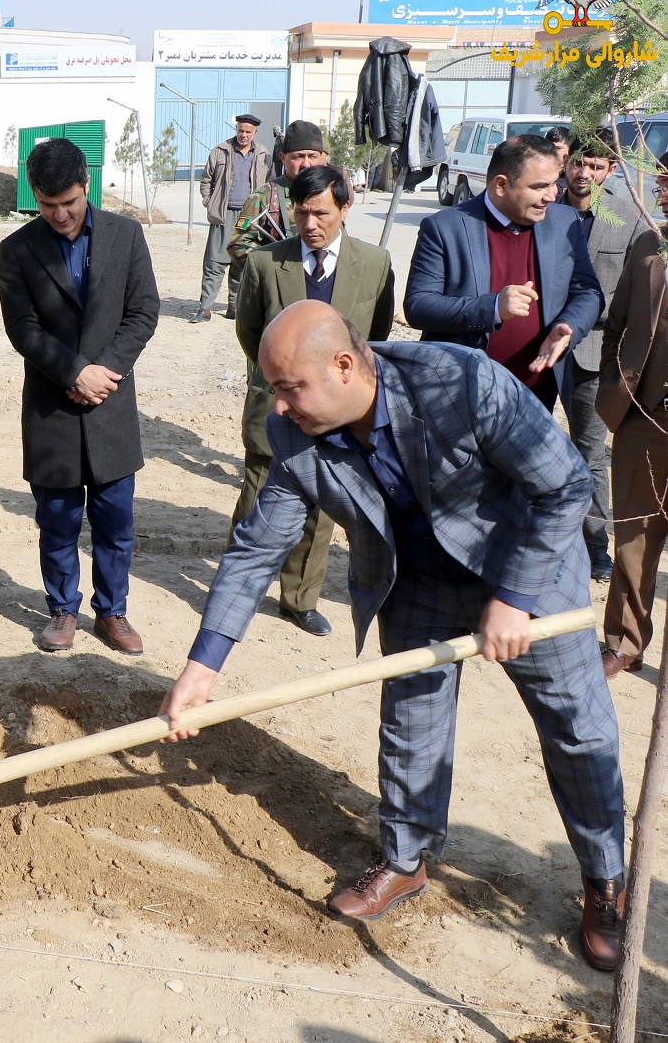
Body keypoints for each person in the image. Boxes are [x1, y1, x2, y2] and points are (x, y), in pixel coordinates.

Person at [161, 303, 627, 973]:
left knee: (579, 729)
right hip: (415, 580)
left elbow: (565, 486)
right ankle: (407, 859)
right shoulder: (294, 432)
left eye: (291, 386)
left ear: (344, 366)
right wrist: (203, 665)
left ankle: (604, 879)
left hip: (529, 566)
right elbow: (256, 547)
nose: (282, 406)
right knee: (412, 722)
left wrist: (514, 596)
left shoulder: (460, 382)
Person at [0, 137, 161, 654]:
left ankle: (112, 612)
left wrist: (103, 371)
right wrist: (74, 373)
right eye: (48, 206)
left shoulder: (126, 236)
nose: (60, 214)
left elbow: (144, 312)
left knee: (116, 520)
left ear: (86, 184)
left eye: (68, 202)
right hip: (53, 406)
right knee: (58, 520)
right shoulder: (17, 250)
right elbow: (22, 329)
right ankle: (62, 610)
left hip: (111, 401)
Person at [231, 164, 395, 637]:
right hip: (277, 409)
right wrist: (287, 386)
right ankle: (238, 590)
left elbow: (374, 336)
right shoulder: (265, 263)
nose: (310, 224)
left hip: (339, 414)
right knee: (256, 499)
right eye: (302, 213)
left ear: (345, 207)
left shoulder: (375, 264)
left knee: (321, 508)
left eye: (321, 212)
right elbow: (251, 334)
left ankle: (299, 599)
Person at [404, 134, 602, 412]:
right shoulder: (444, 228)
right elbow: (419, 306)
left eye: (554, 183)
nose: (552, 195)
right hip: (460, 392)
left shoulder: (564, 222)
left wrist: (569, 326)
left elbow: (588, 291)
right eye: (539, 186)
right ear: (501, 185)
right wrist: (493, 306)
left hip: (537, 393)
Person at [558, 130, 651, 582]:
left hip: (593, 354)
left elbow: (634, 294)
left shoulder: (628, 215)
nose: (584, 173)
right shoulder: (541, 204)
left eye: (596, 166)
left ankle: (596, 548)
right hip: (536, 347)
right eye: (578, 162)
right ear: (565, 161)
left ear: (611, 170)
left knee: (591, 454)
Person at [595, 154, 668, 679]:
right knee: (634, 538)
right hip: (644, 418)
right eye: (660, 178)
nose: (659, 189)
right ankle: (624, 641)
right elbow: (617, 325)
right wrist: (615, 391)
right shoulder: (648, 244)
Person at [226, 120, 331, 272]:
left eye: (312, 156)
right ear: (283, 158)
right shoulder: (264, 196)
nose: (306, 164)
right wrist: (274, 267)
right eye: (298, 157)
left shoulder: (330, 194)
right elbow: (238, 244)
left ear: (321, 157)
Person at [194, 114, 269, 323]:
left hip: (249, 217)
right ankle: (205, 308)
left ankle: (233, 307)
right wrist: (210, 202)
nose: (243, 135)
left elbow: (269, 184)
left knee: (241, 261)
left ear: (255, 133)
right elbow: (206, 179)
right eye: (240, 131)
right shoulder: (220, 151)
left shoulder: (263, 154)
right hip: (223, 214)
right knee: (214, 262)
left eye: (247, 132)